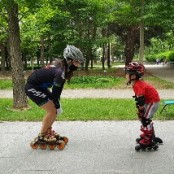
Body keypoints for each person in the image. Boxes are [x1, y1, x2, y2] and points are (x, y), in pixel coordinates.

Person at [25, 45, 85, 150]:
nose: (79, 65)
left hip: (40, 86)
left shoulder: (62, 66)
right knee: (52, 110)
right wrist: (56, 101)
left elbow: (59, 87)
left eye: (80, 62)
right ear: (69, 61)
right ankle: (42, 135)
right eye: (77, 62)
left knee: (55, 109)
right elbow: (56, 90)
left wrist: (57, 101)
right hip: (32, 87)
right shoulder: (60, 71)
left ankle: (48, 131)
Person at [124, 62, 163, 151]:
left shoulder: (138, 84)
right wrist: (140, 109)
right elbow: (140, 98)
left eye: (127, 74)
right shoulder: (136, 83)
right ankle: (149, 136)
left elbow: (141, 98)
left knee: (145, 119)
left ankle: (148, 140)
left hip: (152, 101)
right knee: (143, 118)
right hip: (149, 101)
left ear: (133, 76)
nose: (126, 75)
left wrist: (141, 108)